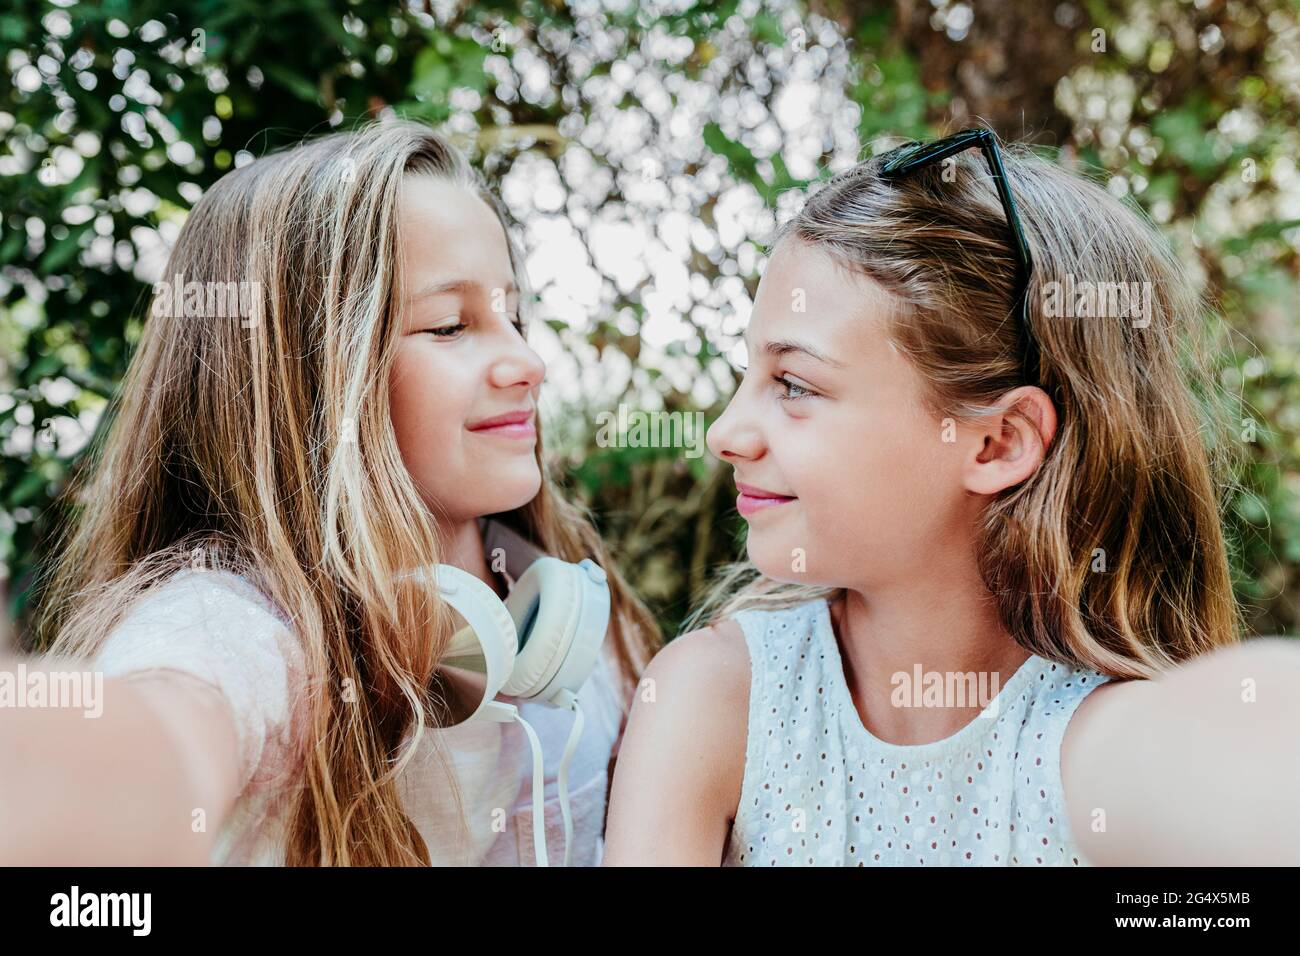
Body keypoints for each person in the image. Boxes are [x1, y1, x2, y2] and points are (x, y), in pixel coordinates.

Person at [603, 133, 1300, 866]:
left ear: (997, 442)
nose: (725, 433)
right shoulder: (718, 701)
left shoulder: (1087, 745)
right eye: (751, 375)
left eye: (796, 386)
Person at [2, 118, 660, 866]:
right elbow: (158, 735)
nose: (527, 361)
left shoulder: (562, 597)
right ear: (310, 385)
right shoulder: (238, 633)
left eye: (511, 316)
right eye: (449, 326)